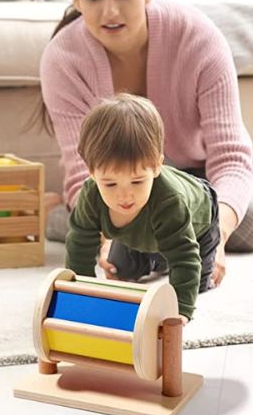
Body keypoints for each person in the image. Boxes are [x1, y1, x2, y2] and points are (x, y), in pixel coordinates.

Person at [40, 0, 253, 288]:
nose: (110, 12)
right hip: (124, 185)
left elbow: (230, 156)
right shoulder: (62, 59)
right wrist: (107, 238)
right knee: (109, 242)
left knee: (252, 221)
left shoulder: (198, 36)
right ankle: (156, 240)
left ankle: (156, 243)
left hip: (199, 178)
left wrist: (217, 239)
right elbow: (84, 175)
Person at [67, 94, 220, 324]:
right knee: (121, 270)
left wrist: (180, 312)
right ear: (91, 172)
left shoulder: (170, 201)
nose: (125, 195)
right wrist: (82, 297)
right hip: (147, 231)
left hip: (200, 226)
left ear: (157, 166)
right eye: (110, 184)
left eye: (137, 181)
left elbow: (185, 257)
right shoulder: (90, 194)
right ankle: (159, 260)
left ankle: (167, 259)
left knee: (195, 284)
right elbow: (80, 245)